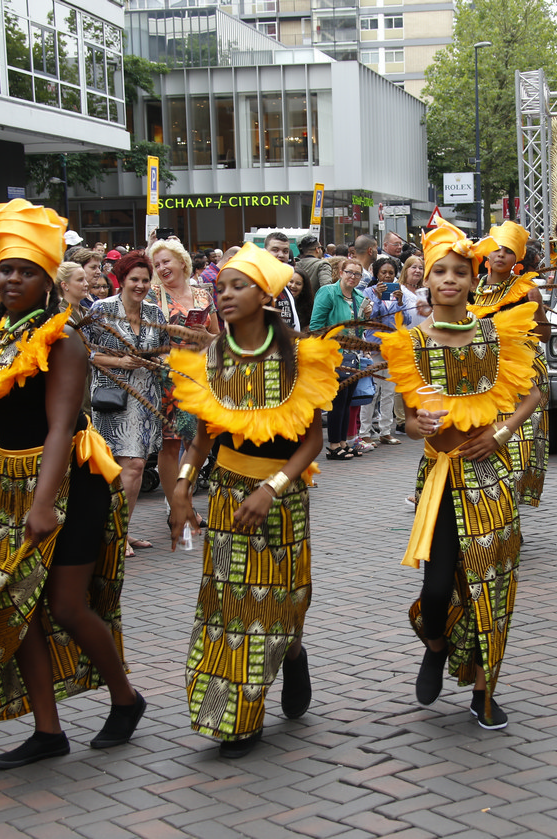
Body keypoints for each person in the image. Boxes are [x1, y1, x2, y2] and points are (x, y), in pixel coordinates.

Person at [0, 198, 143, 769]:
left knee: (67, 606)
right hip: (11, 480)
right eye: (5, 269)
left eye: (26, 271)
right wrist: (4, 470)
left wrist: (43, 502)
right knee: (17, 610)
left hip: (69, 480)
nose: (12, 279)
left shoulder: (63, 339)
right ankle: (48, 731)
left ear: (47, 281)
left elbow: (59, 426)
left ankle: (126, 699)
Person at [168, 243, 341, 758]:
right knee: (231, 607)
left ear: (265, 295)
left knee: (283, 599)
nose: (224, 294)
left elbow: (313, 441)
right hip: (226, 495)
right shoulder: (210, 359)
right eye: (220, 286)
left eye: (237, 286)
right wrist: (181, 486)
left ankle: (293, 653)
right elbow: (202, 439)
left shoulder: (299, 356)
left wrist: (271, 489)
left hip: (281, 499)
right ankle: (239, 719)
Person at [378, 220, 540, 731]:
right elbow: (409, 422)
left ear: (473, 281)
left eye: (459, 272)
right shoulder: (409, 343)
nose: (449, 279)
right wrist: (417, 426)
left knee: (491, 588)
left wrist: (503, 433)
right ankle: (436, 644)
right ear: (425, 280)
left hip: (490, 477)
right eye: (439, 271)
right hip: (440, 480)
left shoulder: (496, 334)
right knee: (434, 591)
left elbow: (533, 393)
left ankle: (484, 691)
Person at [87, 252, 166, 556]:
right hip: (114, 397)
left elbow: (164, 349)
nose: (141, 285)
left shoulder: (154, 312)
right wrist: (120, 362)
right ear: (121, 279)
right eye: (135, 279)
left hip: (146, 396)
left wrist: (160, 360)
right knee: (128, 466)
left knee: (136, 465)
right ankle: (114, 533)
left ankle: (122, 530)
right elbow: (86, 352)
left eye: (145, 280)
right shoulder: (102, 309)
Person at [469, 221, 551, 506]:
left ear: (517, 258)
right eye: (497, 249)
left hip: (524, 374)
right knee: (485, 437)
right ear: (487, 254)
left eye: (508, 251)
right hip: (483, 373)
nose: (501, 255)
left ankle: (510, 499)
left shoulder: (526, 289)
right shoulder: (472, 288)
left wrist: (537, 307)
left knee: (519, 439)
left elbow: (544, 336)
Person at [146, 238, 219, 520]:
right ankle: (178, 509)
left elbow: (217, 337)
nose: (162, 268)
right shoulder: (152, 295)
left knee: (198, 444)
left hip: (200, 377)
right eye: (157, 264)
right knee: (171, 444)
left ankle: (183, 499)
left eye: (166, 261)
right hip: (168, 379)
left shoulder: (203, 295)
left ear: (182, 262)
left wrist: (205, 336)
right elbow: (145, 338)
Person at [309, 257, 367, 460]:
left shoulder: (359, 296)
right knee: (337, 401)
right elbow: (316, 326)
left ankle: (343, 442)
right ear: (341, 273)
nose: (353, 277)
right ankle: (333, 445)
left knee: (348, 400)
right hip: (334, 355)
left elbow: (359, 328)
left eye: (357, 274)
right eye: (349, 272)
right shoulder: (328, 293)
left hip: (353, 355)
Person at [358, 256, 409, 446]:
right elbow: (370, 318)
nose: (387, 276)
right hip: (374, 347)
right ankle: (364, 432)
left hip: (393, 348)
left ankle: (385, 431)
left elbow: (405, 321)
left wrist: (401, 303)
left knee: (388, 391)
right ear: (376, 274)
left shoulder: (398, 292)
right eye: (384, 272)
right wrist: (379, 299)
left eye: (391, 273)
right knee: (371, 391)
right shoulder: (367, 292)